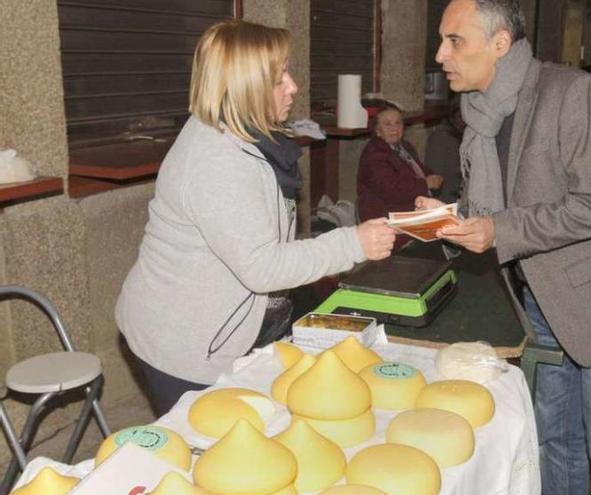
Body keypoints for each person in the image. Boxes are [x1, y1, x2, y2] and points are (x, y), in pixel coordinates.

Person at [419, 1, 591, 493]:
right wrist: (445, 220)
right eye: (441, 40)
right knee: (552, 443)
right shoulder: (477, 112)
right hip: (534, 301)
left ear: (500, 43)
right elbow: (489, 209)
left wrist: (500, 230)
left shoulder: (571, 92)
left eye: (455, 41)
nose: (440, 54)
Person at [115, 20, 396, 415]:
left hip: (208, 323)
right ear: (245, 84)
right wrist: (353, 243)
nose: (293, 86)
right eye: (279, 76)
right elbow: (262, 267)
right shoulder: (216, 160)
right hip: (181, 344)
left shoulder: (245, 137)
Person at [357, 102, 444, 249]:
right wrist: (426, 184)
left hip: (409, 211)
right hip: (388, 218)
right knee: (441, 237)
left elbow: (418, 169)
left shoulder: (403, 147)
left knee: (450, 227)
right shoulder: (374, 155)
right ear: (378, 130)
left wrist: (432, 175)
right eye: (388, 124)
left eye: (398, 123)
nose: (394, 128)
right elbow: (391, 190)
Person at [425, 99, 466, 204]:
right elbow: (435, 173)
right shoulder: (441, 138)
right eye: (460, 116)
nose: (464, 120)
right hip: (447, 199)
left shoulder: (467, 136)